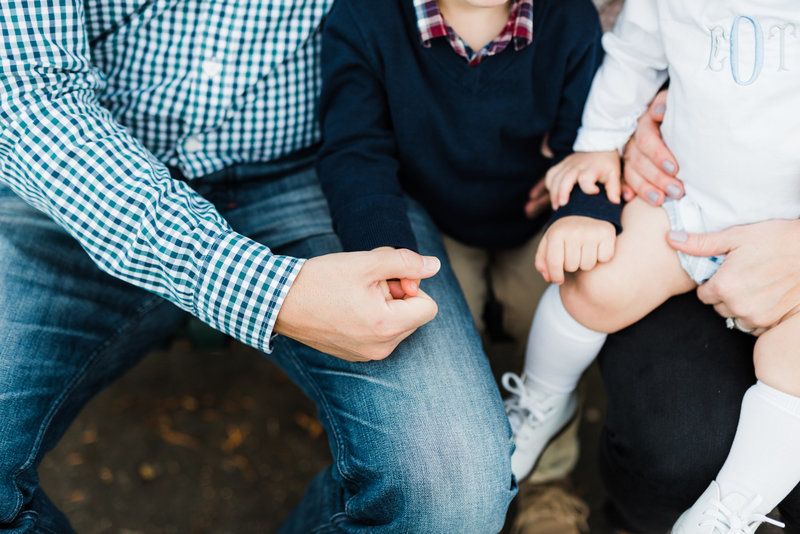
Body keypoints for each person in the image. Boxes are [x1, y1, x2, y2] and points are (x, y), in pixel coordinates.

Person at [0, 2, 519, 532]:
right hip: (76, 179)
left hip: (320, 172)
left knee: (451, 494)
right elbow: (28, 96)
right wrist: (271, 293)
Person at [502, 1, 800, 531]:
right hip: (686, 201)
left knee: (794, 366)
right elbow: (632, 57)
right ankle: (543, 401)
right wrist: (598, 145)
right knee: (593, 285)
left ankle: (731, 509)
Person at [316, 0, 611, 531]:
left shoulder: (569, 19)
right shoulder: (365, 17)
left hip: (539, 219)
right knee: (437, 331)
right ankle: (463, 471)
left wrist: (584, 211)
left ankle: (548, 481)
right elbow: (356, 149)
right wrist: (387, 252)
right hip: (429, 222)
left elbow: (592, 137)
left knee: (551, 322)